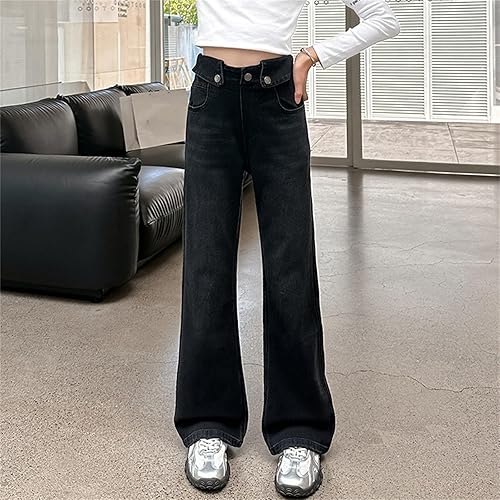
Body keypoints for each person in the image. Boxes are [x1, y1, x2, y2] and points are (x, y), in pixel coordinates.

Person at [173, 0, 400, 497]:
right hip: (210, 99)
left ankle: (299, 431)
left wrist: (313, 55)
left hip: (276, 101)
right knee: (206, 269)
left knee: (290, 269)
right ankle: (208, 423)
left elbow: (385, 16)